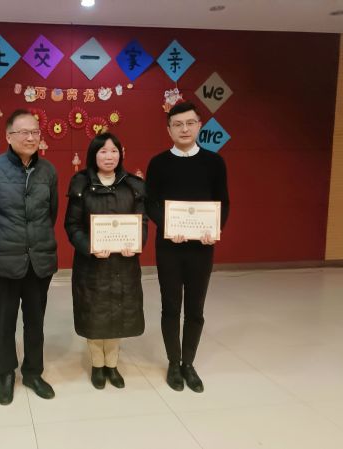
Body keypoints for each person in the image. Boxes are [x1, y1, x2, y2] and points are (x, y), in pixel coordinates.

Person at [0, 109, 58, 405]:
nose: (31, 137)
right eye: (24, 132)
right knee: (4, 321)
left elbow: (51, 214)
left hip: (39, 261)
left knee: (35, 321)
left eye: (35, 132)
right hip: (2, 261)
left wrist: (35, 242)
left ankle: (33, 373)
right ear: (8, 136)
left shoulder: (48, 171)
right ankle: (5, 374)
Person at [145, 101, 230, 393]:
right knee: (170, 306)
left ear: (199, 126)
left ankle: (188, 363)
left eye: (190, 123)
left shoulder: (214, 162)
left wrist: (215, 229)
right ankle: (173, 362)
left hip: (201, 248)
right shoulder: (158, 163)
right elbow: (151, 203)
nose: (184, 129)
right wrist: (169, 226)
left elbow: (223, 202)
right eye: (178, 124)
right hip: (169, 247)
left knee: (195, 308)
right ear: (169, 129)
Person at [64, 132, 147, 390]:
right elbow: (72, 225)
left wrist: (136, 244)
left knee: (118, 315)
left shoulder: (133, 186)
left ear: (121, 154)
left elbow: (142, 222)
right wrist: (90, 247)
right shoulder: (81, 185)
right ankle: (97, 365)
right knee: (94, 315)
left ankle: (112, 365)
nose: (109, 156)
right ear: (93, 155)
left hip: (124, 264)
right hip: (92, 265)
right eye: (103, 151)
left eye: (114, 151)